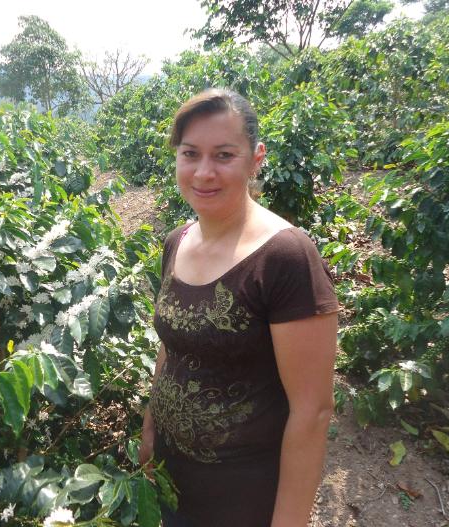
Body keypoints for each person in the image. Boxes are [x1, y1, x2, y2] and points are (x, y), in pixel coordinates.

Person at [138, 88, 339, 527]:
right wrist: (151, 425)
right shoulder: (177, 241)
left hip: (242, 494)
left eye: (224, 155)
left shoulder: (285, 257)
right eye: (190, 153)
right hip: (172, 478)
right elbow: (172, 345)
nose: (204, 172)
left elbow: (313, 411)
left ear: (256, 159)